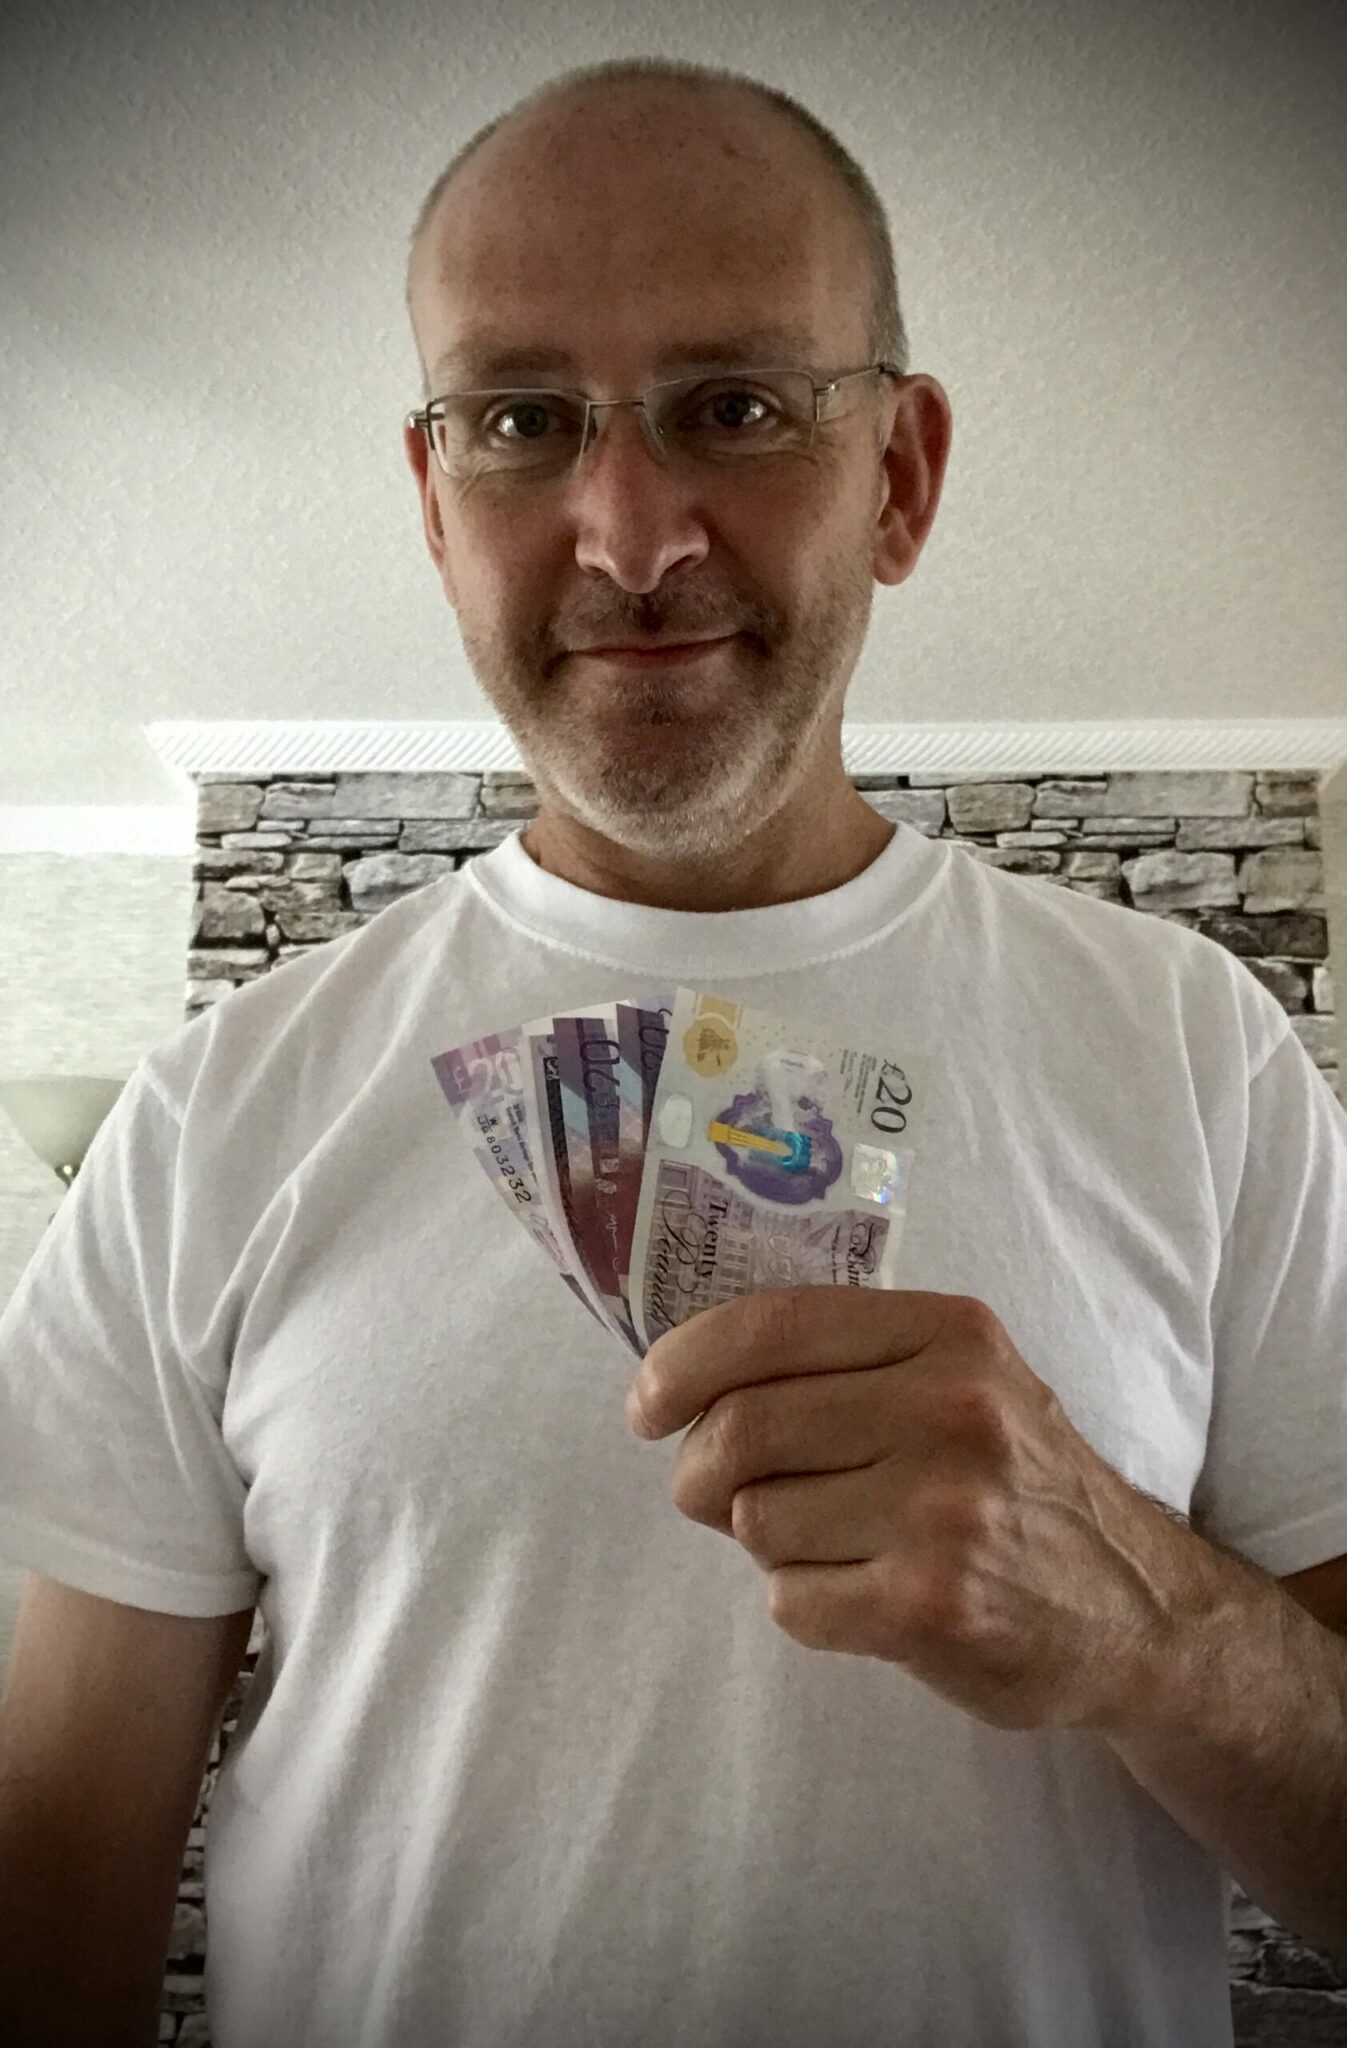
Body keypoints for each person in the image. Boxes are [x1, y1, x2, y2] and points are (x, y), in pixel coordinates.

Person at [1, 55, 1345, 2048]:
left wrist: (1144, 1615)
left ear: (898, 477)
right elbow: (53, 1898)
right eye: (519, 419)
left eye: (736, 404)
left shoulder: (1200, 1053)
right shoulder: (218, 1113)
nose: (628, 537)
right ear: (433, 502)